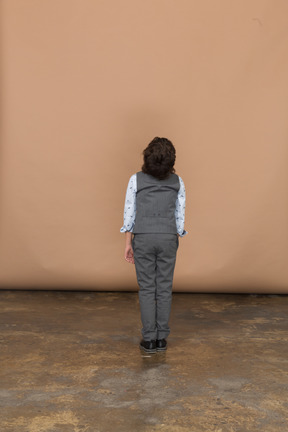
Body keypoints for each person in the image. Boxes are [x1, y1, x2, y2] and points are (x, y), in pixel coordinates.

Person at [120, 137, 187, 354]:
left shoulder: (136, 180)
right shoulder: (178, 182)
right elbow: (180, 216)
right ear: (171, 161)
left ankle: (149, 339)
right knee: (164, 287)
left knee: (147, 288)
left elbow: (129, 213)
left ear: (147, 158)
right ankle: (162, 339)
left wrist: (128, 243)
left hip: (144, 237)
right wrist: (175, 234)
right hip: (168, 237)